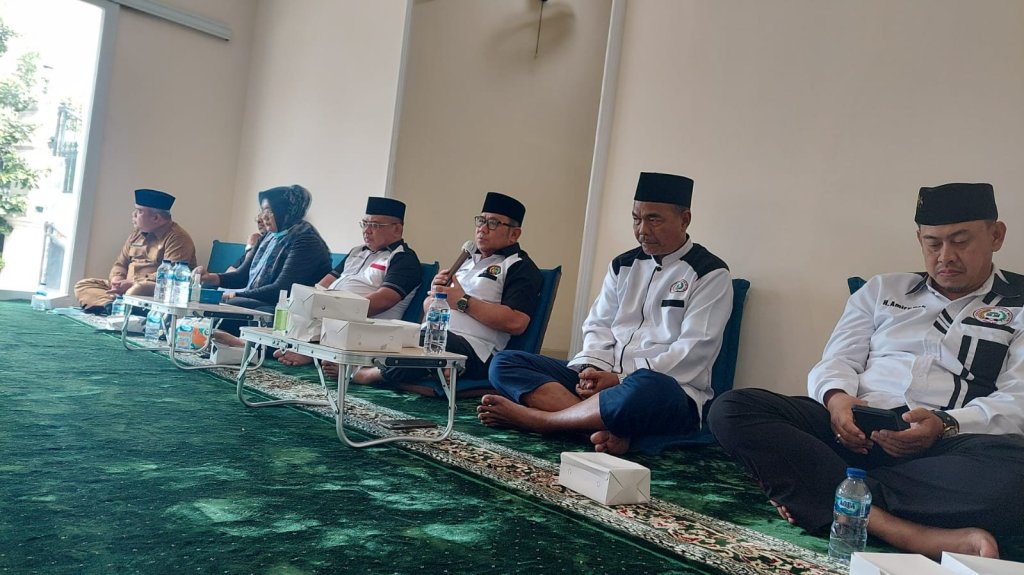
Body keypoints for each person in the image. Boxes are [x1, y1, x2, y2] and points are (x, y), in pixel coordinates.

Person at [709, 182, 1024, 559]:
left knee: (1016, 474)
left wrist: (943, 424)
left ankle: (819, 490)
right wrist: (837, 401)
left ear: (996, 235)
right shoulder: (882, 290)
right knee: (733, 409)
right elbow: (838, 359)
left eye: (960, 241)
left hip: (945, 446)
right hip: (854, 432)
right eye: (932, 243)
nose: (945, 256)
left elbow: (1017, 400)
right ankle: (904, 531)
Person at [478, 172, 733, 455]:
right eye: (636, 219)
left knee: (648, 385)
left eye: (654, 219)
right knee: (505, 362)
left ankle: (543, 421)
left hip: (666, 391)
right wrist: (592, 370)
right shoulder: (622, 265)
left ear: (684, 219)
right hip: (609, 381)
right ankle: (598, 428)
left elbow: (693, 352)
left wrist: (621, 379)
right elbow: (598, 325)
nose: (642, 230)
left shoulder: (710, 273)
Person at [350, 192, 543, 397]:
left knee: (427, 342)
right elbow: (430, 308)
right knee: (401, 333)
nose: (482, 228)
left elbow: (516, 322)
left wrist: (462, 301)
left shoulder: (518, 266)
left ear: (514, 234)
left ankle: (371, 374)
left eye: (493, 223)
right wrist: (436, 296)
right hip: (436, 333)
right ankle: (435, 369)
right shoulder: (466, 261)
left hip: (477, 349)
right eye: (480, 221)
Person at [275, 197, 422, 367]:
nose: (367, 231)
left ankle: (310, 351)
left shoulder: (403, 259)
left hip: (364, 326)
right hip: (329, 315)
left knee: (283, 334)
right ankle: (305, 347)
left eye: (375, 225)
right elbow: (323, 285)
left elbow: (383, 301)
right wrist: (308, 304)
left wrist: (332, 310)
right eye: (364, 224)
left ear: (397, 229)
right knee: (280, 311)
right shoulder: (357, 252)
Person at [197, 185, 331, 343]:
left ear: (285, 212)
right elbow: (242, 275)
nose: (263, 217)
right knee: (210, 296)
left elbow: (281, 289)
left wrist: (236, 295)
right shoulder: (269, 237)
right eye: (262, 211)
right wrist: (210, 277)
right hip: (262, 300)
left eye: (269, 211)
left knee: (233, 304)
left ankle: (233, 345)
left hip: (287, 308)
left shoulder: (306, 241)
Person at [74, 189, 196, 314]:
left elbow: (169, 275)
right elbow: (121, 263)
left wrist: (132, 283)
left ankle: (116, 306)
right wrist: (117, 279)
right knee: (84, 285)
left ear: (156, 218)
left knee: (138, 289)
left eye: (139, 211)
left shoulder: (177, 238)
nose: (134, 215)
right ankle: (109, 305)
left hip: (152, 289)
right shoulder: (136, 234)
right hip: (126, 287)